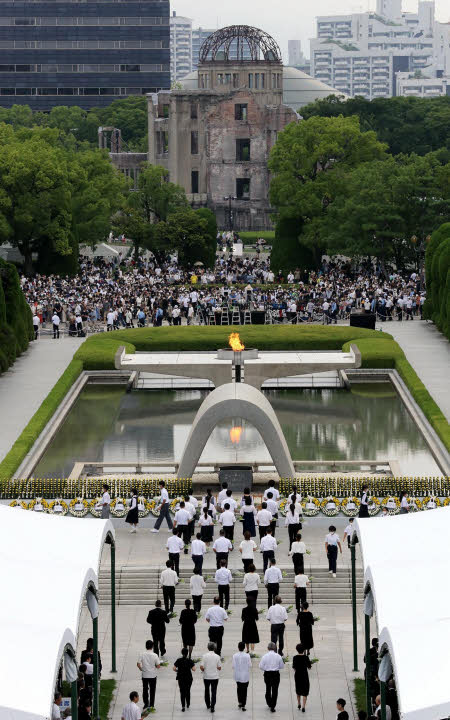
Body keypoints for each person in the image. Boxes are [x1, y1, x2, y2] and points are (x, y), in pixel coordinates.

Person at [259, 642, 284, 712]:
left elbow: (260, 666)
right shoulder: (278, 656)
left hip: (267, 674)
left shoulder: (264, 656)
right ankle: (273, 706)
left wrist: (266, 669)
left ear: (268, 648)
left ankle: (269, 702)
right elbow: (282, 666)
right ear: (275, 648)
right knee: (275, 690)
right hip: (275, 674)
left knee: (268, 688)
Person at [137, 639, 160, 710]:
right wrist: (155, 666)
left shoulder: (142, 654)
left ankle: (146, 703)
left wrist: (142, 669)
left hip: (145, 675)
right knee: (152, 690)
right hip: (153, 675)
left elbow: (138, 664)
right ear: (152, 646)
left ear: (146, 646)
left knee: (145, 689)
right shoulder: (155, 655)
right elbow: (158, 666)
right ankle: (152, 705)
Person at [200, 642, 222, 713]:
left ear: (208, 648)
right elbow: (219, 668)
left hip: (206, 676)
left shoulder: (204, 656)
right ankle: (213, 706)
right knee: (214, 691)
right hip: (215, 677)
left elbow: (201, 667)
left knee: (206, 690)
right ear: (214, 648)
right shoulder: (217, 656)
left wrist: (204, 670)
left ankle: (208, 705)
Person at [173, 647, 196, 712]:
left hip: (181, 678)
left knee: (182, 691)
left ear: (181, 653)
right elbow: (194, 669)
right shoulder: (189, 660)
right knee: (188, 690)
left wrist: (178, 670)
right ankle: (188, 703)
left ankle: (183, 706)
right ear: (187, 653)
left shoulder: (179, 660)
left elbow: (174, 668)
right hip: (188, 678)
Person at [232, 641, 252, 711]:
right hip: (245, 676)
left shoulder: (234, 655)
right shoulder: (247, 656)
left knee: (239, 689)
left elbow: (233, 666)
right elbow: (250, 665)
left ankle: (240, 702)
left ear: (238, 647)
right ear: (244, 648)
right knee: (244, 690)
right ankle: (243, 704)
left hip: (237, 675)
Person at [293, 644, 311, 712]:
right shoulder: (306, 657)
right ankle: (303, 706)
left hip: (297, 675)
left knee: (298, 689)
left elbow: (294, 668)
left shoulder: (295, 657)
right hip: (304, 675)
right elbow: (309, 667)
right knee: (305, 690)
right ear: (303, 650)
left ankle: (299, 703)